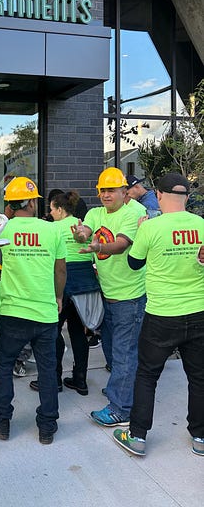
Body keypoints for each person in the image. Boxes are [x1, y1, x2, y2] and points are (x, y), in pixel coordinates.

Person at [113, 173, 204, 457]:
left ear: (159, 194)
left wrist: (142, 231)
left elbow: (134, 262)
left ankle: (138, 436)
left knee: (147, 375)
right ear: (187, 197)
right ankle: (200, 438)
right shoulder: (201, 224)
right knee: (199, 377)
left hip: (162, 314)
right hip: (199, 312)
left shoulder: (151, 228)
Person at [0, 176, 66, 445]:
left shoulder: (4, 230)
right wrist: (58, 297)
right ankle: (47, 426)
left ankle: (2, 421)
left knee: (4, 367)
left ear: (10, 204)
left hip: (12, 312)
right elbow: (60, 269)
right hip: (45, 313)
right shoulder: (53, 230)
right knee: (47, 371)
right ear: (33, 202)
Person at [72, 167, 146, 427]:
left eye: (111, 190)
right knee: (111, 348)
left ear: (125, 191)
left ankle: (122, 409)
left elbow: (122, 244)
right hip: (107, 293)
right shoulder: (94, 212)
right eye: (102, 190)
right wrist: (81, 234)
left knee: (125, 352)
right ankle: (123, 389)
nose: (106, 195)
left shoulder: (134, 211)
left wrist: (98, 246)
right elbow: (86, 230)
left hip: (130, 296)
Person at [30, 190, 101, 396]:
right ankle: (80, 380)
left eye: (51, 209)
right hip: (86, 283)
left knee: (53, 333)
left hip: (63, 281)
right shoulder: (83, 227)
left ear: (60, 209)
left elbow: (52, 261)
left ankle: (54, 380)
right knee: (78, 333)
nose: (50, 213)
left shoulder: (52, 229)